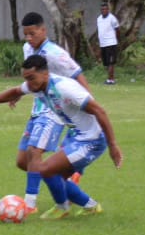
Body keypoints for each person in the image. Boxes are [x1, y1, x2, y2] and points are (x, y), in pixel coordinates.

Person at [0, 54, 122, 220]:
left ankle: (62, 207)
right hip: (75, 135)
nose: (29, 83)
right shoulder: (36, 85)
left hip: (92, 140)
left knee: (45, 169)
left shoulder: (65, 89)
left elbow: (100, 111)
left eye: (31, 78)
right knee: (57, 175)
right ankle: (91, 206)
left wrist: (113, 145)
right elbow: (15, 91)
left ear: (45, 73)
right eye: (26, 79)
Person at [14, 12, 90, 217]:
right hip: (37, 110)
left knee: (34, 153)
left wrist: (87, 102)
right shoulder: (27, 49)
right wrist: (18, 95)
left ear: (43, 30)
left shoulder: (55, 53)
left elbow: (77, 75)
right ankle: (84, 200)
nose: (29, 38)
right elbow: (30, 77)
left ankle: (29, 204)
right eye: (26, 34)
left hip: (54, 111)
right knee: (23, 161)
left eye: (32, 33)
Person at [96, 2, 120, 85]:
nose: (103, 11)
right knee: (106, 63)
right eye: (102, 9)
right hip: (103, 44)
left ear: (108, 10)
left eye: (105, 9)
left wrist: (115, 40)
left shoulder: (112, 18)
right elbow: (100, 31)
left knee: (111, 62)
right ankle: (110, 79)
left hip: (111, 43)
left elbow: (117, 30)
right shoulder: (99, 19)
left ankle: (111, 80)